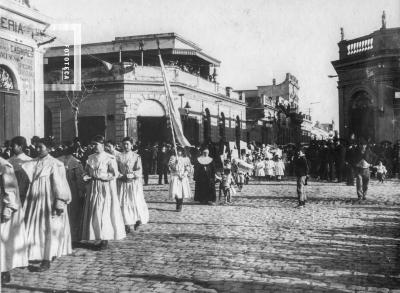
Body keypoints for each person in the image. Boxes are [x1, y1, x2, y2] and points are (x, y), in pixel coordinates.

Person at [22, 138, 72, 271]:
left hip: (48, 199)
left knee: (49, 228)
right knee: (35, 226)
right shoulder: (33, 162)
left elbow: (60, 185)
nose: (37, 150)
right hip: (34, 199)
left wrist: (59, 202)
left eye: (41, 147)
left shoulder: (55, 164)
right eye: (36, 147)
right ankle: (35, 254)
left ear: (49, 149)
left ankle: (46, 259)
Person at [81, 135, 126, 250]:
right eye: (93, 144)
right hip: (93, 187)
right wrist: (85, 176)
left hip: (105, 188)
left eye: (96, 144)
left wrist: (103, 176)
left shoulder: (109, 158)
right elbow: (85, 172)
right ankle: (97, 236)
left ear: (102, 145)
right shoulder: (90, 158)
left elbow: (115, 174)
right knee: (95, 211)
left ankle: (105, 238)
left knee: (104, 211)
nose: (94, 146)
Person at [0, 157, 28, 284]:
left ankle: (4, 270)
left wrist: (8, 208)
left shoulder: (4, 165)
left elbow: (10, 188)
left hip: (3, 205)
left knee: (3, 240)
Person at [116, 137, 149, 233]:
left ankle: (137, 220)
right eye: (124, 144)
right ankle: (126, 223)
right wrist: (121, 176)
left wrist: (131, 175)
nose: (125, 146)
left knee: (134, 201)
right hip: (122, 183)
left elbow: (139, 170)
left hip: (133, 184)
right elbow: (116, 169)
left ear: (131, 145)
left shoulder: (136, 156)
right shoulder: (118, 157)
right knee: (123, 202)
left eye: (127, 144)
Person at [57, 146, 86, 244]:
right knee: (73, 213)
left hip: (60, 187)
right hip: (72, 188)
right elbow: (79, 179)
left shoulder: (57, 160)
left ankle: (62, 236)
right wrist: (82, 191)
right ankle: (73, 236)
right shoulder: (76, 162)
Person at [8, 136, 32, 205]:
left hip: (25, 193)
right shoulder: (8, 161)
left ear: (20, 147)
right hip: (10, 192)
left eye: (13, 146)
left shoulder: (29, 161)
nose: (11, 148)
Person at [168, 147, 192, 212]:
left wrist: (184, 174)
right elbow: (171, 167)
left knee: (181, 192)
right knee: (175, 192)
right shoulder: (173, 158)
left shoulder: (186, 159)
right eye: (178, 151)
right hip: (175, 176)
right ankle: (177, 202)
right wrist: (175, 163)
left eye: (180, 151)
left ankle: (180, 205)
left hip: (182, 177)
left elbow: (188, 168)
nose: (179, 152)